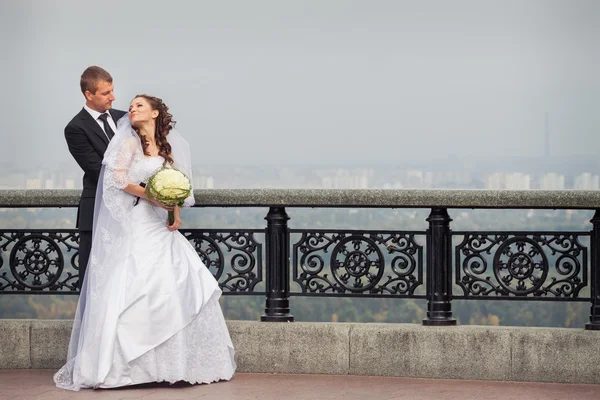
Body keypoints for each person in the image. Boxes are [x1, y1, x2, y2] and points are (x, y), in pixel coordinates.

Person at [54, 95, 236, 390]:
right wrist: (150, 194)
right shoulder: (128, 144)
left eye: (139, 105)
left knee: (174, 287)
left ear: (154, 113)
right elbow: (117, 180)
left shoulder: (167, 146)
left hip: (161, 227)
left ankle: (173, 365)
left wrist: (174, 210)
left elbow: (175, 182)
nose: (132, 108)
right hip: (138, 222)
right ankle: (130, 369)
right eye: (132, 106)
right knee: (135, 286)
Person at [65, 66, 127, 288]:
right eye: (106, 93)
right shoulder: (75, 128)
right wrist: (140, 184)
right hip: (97, 210)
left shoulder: (125, 118)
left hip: (131, 211)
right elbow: (97, 170)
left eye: (112, 90)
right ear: (88, 94)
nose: (113, 97)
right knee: (94, 281)